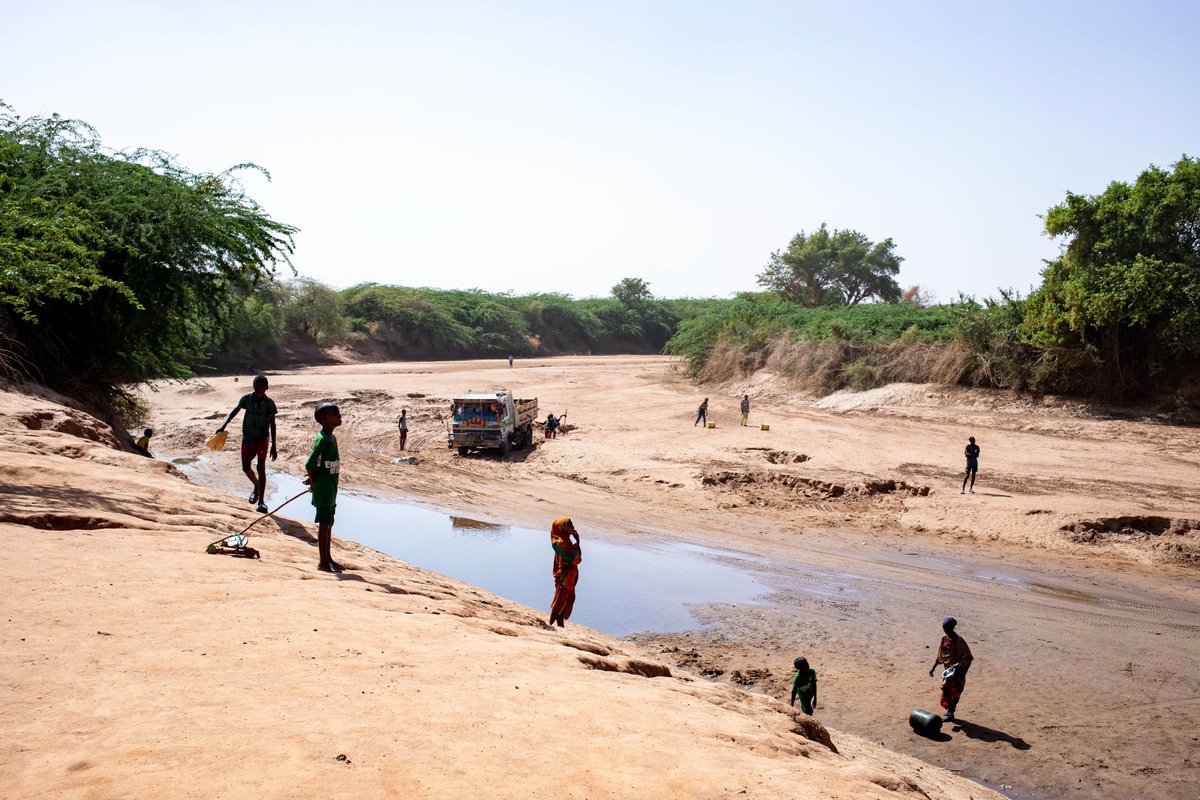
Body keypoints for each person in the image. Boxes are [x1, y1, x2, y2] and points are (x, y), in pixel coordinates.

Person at [217, 374, 277, 513]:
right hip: (248, 437)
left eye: (262, 388)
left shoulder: (269, 403)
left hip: (262, 438)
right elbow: (236, 410)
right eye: (256, 387)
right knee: (245, 467)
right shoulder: (246, 399)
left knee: (261, 467)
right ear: (253, 387)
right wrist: (224, 425)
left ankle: (261, 501)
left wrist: (274, 444)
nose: (259, 390)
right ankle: (256, 485)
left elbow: (273, 424)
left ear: (266, 388)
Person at [305, 402, 343, 573]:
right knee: (324, 522)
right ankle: (322, 561)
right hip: (324, 487)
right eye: (335, 414)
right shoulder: (322, 439)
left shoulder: (332, 438)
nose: (339, 416)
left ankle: (328, 558)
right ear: (324, 419)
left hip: (331, 485)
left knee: (330, 521)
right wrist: (313, 481)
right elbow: (310, 463)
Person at [928, 616, 973, 721]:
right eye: (944, 628)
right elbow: (940, 655)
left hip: (957, 673)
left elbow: (968, 657)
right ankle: (950, 713)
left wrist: (957, 665)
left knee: (954, 693)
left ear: (952, 628)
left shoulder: (959, 641)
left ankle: (951, 712)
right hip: (948, 672)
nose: (945, 630)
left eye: (947, 628)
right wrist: (933, 668)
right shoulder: (944, 638)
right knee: (946, 690)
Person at [548, 517, 581, 627]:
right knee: (561, 601)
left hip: (570, 576)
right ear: (561, 528)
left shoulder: (566, 540)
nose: (573, 527)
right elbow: (571, 558)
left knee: (568, 600)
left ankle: (560, 624)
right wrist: (577, 544)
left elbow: (575, 558)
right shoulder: (560, 542)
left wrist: (576, 543)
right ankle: (559, 624)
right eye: (569, 525)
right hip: (564, 576)